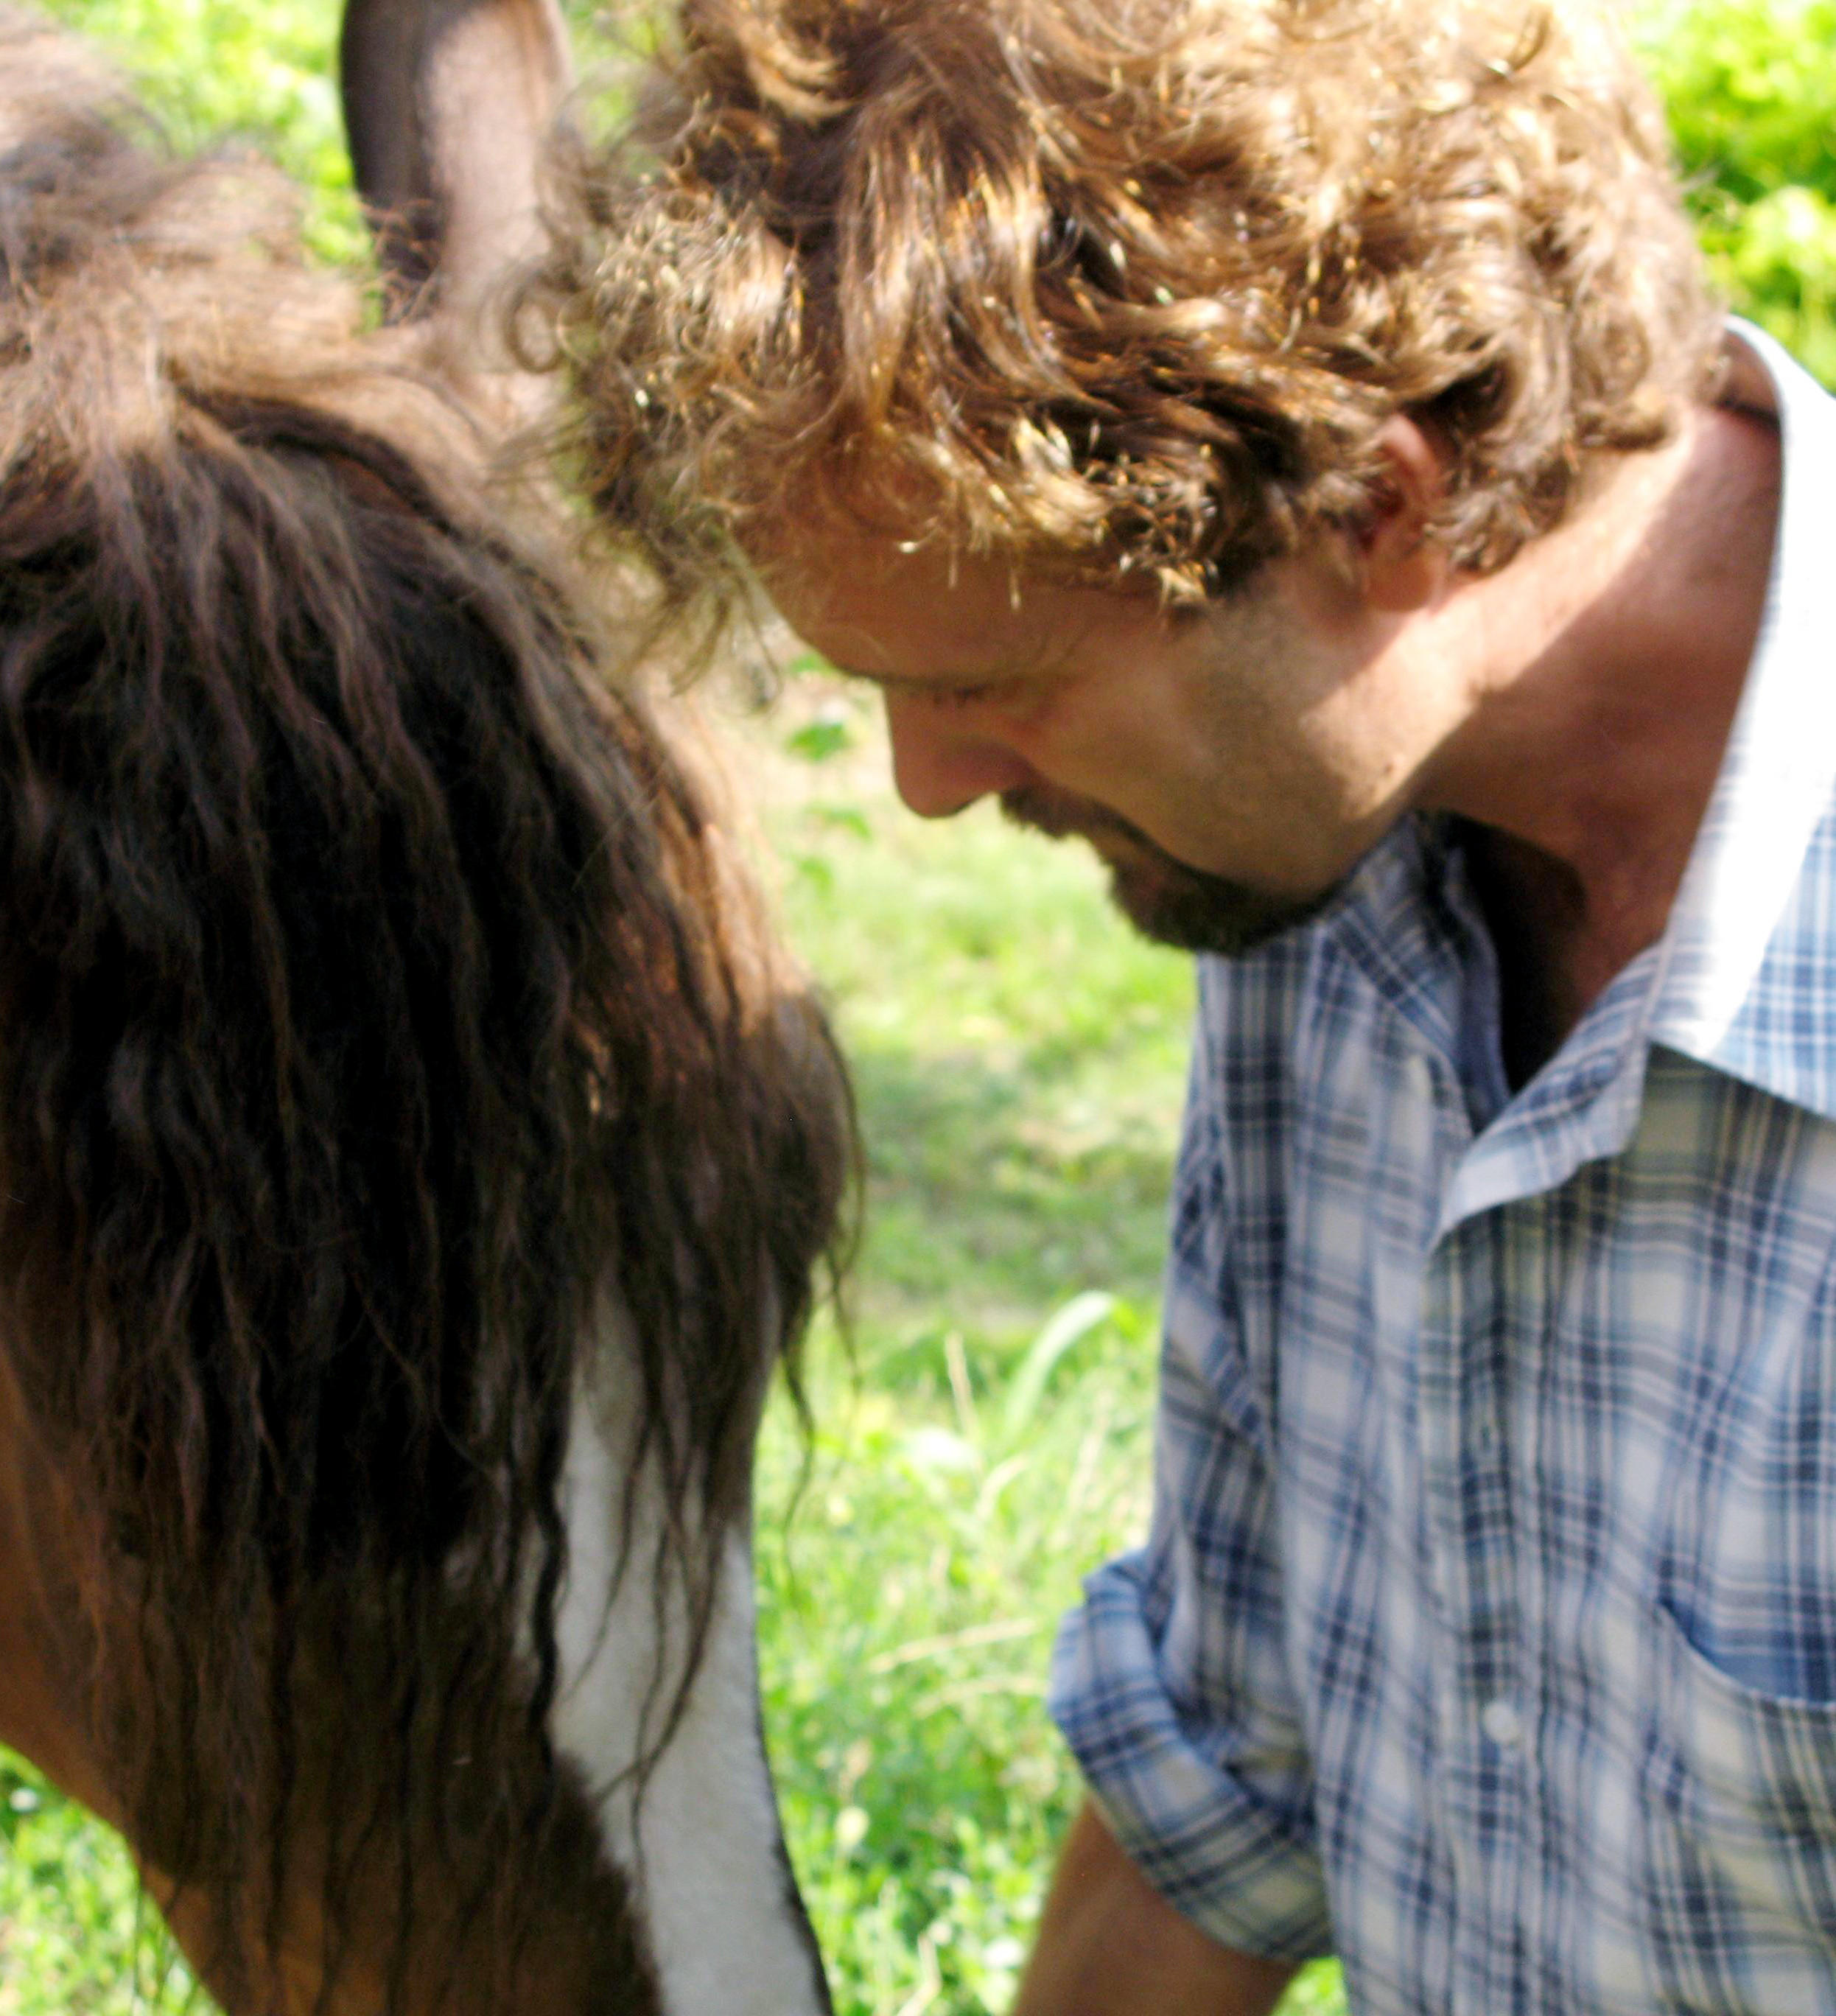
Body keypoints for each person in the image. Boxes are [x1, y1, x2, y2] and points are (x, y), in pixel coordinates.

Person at [521, 0, 1836, 2007]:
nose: (928, 786)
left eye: (990, 679)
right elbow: (1228, 1764)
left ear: (1378, 511)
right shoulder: (1320, 843)